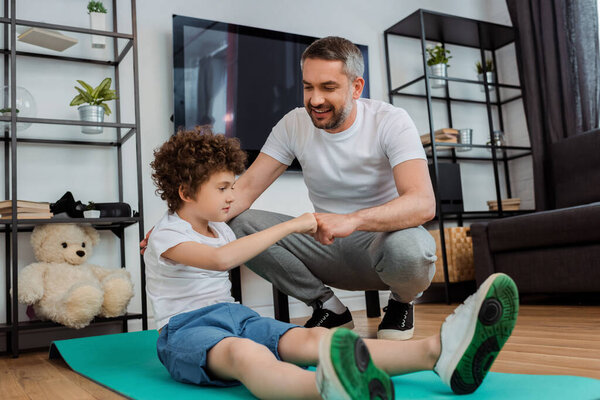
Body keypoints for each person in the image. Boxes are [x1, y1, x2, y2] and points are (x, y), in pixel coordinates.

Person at [145, 127, 519, 399]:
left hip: (237, 316)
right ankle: (329, 388)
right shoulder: (166, 235)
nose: (233, 195)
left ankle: (439, 352)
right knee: (245, 354)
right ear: (185, 193)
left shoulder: (218, 227)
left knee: (316, 338)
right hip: (185, 330)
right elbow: (219, 259)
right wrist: (294, 223)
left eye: (232, 185)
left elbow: (227, 245)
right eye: (223, 188)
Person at [224, 36, 437, 339]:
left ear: (356, 87)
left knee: (413, 248)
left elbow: (423, 203)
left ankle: (401, 303)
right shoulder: (292, 125)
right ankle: (329, 308)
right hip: (326, 247)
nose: (315, 99)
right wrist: (182, 223)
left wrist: (352, 220)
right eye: (308, 87)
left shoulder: (391, 121)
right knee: (240, 223)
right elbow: (242, 192)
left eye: (328, 87)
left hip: (383, 247)